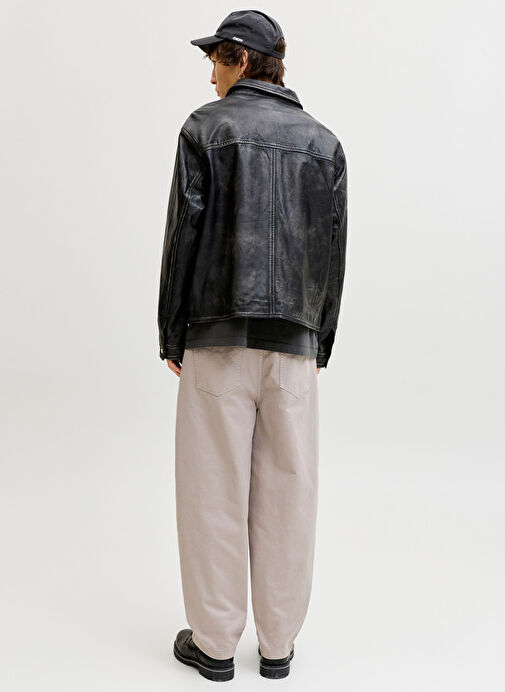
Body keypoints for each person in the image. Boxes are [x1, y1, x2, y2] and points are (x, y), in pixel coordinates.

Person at [157, 9, 348, 682]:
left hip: (216, 340)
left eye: (216, 59)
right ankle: (277, 646)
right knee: (289, 494)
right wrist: (318, 340)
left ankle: (213, 646)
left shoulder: (205, 129)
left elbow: (183, 236)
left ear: (240, 58)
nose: (210, 75)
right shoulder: (323, 144)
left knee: (212, 493)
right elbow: (333, 253)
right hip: (293, 345)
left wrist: (171, 332)